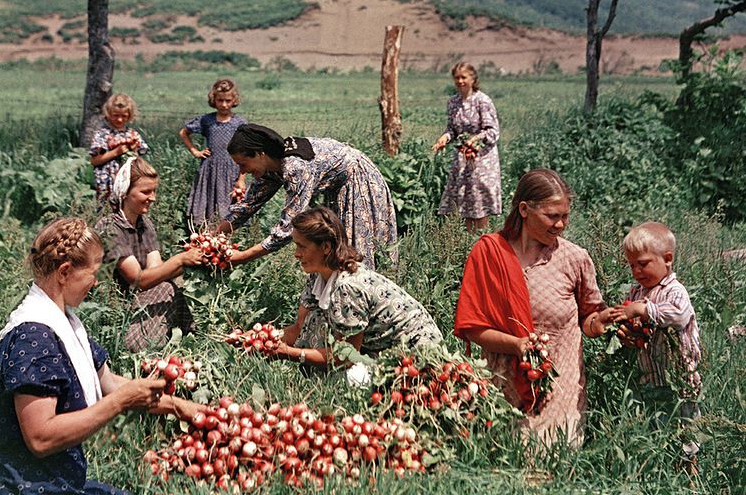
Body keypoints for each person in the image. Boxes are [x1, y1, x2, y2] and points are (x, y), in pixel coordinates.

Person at [0, 216, 166, 495]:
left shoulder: (65, 323)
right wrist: (119, 403)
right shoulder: (33, 337)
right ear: (65, 272)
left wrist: (180, 407)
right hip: (29, 486)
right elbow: (40, 438)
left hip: (59, 480)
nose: (95, 283)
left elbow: (109, 383)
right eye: (93, 273)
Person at [454, 168, 621, 445]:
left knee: (549, 457)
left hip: (559, 387)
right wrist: (517, 345)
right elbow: (473, 328)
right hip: (501, 386)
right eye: (552, 216)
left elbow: (589, 317)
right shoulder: (489, 253)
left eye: (565, 216)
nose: (560, 225)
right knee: (504, 457)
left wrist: (600, 322)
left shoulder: (574, 259)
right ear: (524, 209)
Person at [260, 208, 442, 376]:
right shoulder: (318, 276)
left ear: (325, 248)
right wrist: (260, 339)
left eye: (302, 247)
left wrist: (290, 353)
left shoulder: (347, 287)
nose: (296, 254)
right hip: (380, 348)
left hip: (418, 353)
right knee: (315, 320)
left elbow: (346, 356)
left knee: (353, 377)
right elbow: (299, 328)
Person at [217, 124, 398, 267]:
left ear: (260, 154)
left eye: (243, 164)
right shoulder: (269, 168)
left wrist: (242, 257)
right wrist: (212, 236)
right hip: (337, 188)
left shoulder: (295, 167)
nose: (243, 171)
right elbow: (247, 206)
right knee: (335, 250)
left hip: (358, 180)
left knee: (353, 252)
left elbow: (288, 228)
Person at [620, 221, 702, 471]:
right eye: (632, 265)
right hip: (651, 376)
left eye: (642, 264)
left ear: (667, 259)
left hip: (680, 376)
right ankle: (663, 464)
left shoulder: (674, 291)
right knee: (659, 421)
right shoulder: (636, 292)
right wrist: (627, 332)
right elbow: (636, 324)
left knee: (686, 421)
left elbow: (678, 315)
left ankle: (690, 465)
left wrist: (644, 309)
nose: (636, 271)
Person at [95, 156, 200, 352]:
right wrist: (180, 260)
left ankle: (184, 335)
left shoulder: (145, 223)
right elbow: (138, 281)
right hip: (114, 305)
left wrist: (191, 262)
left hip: (138, 298)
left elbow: (156, 270)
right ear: (125, 193)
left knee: (172, 283)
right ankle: (143, 345)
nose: (153, 197)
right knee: (167, 288)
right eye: (145, 192)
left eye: (154, 191)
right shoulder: (109, 227)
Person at [432, 60, 501, 231]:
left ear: (473, 78)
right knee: (463, 202)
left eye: (464, 77)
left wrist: (475, 139)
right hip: (462, 158)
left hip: (482, 159)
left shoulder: (482, 101)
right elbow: (452, 130)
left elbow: (493, 131)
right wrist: (444, 138)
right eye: (457, 78)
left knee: (479, 200)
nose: (460, 81)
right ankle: (467, 241)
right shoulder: (453, 102)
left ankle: (481, 238)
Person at [179, 77, 247, 225]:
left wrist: (241, 179)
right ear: (213, 99)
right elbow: (184, 132)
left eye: (228, 100)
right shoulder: (207, 120)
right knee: (209, 203)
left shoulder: (240, 123)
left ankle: (227, 234)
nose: (224, 104)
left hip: (232, 169)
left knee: (230, 206)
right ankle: (207, 233)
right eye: (220, 100)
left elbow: (246, 152)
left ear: (234, 100)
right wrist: (195, 151)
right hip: (210, 168)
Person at [89, 94, 148, 207]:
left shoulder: (132, 134)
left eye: (124, 116)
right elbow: (94, 161)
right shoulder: (102, 134)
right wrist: (116, 152)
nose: (119, 119)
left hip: (127, 180)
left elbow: (138, 157)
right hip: (106, 182)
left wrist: (133, 148)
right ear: (108, 114)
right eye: (115, 115)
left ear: (129, 116)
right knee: (106, 209)